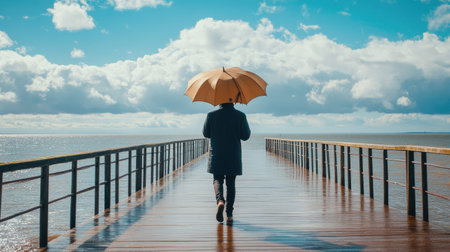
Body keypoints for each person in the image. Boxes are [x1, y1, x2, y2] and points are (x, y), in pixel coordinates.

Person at [203, 102, 251, 223]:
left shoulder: (211, 115)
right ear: (233, 100)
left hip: (217, 153)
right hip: (233, 154)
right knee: (231, 183)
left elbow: (206, 133)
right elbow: (245, 136)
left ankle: (220, 201)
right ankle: (229, 214)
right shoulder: (240, 115)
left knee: (217, 179)